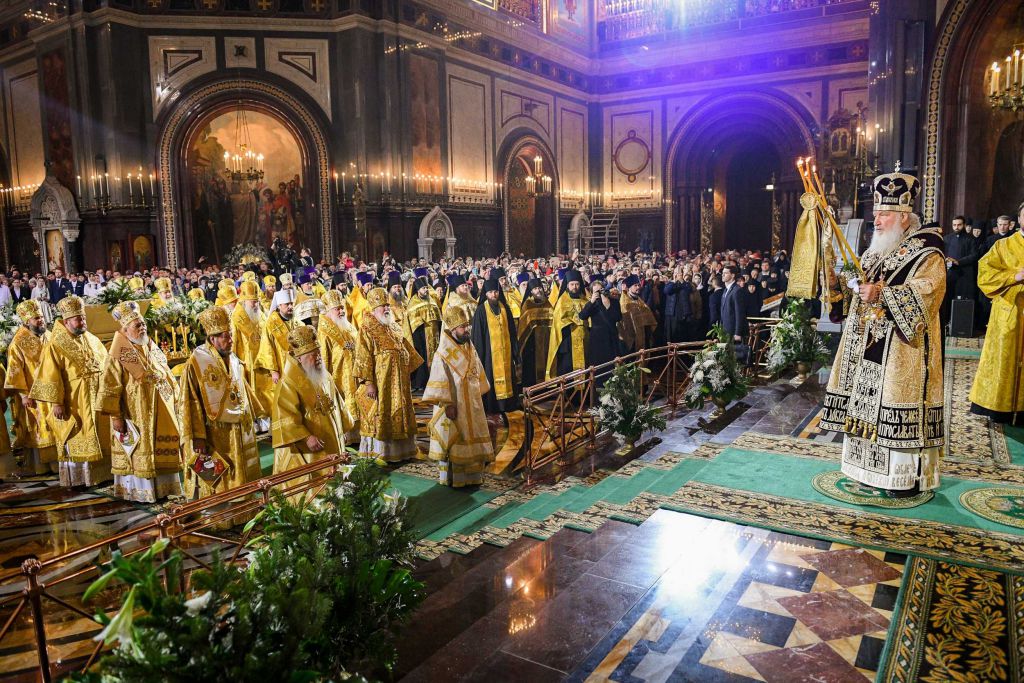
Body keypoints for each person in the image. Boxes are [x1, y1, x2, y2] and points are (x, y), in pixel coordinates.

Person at [820, 170, 945, 497]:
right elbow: (858, 297)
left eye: (884, 214)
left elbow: (928, 293)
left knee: (894, 403)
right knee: (866, 409)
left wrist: (883, 295)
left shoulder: (928, 251)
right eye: (875, 213)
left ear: (904, 217)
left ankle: (904, 479)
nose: (876, 220)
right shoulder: (874, 252)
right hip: (868, 346)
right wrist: (839, 286)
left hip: (902, 350)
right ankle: (868, 473)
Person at [99, 301, 182, 502]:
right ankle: (140, 491)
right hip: (134, 413)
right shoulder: (117, 353)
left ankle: (164, 488)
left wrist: (177, 398)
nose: (142, 327)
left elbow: (166, 374)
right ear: (125, 330)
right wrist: (116, 417)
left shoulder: (150, 346)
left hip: (161, 410)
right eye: (137, 326)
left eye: (143, 323)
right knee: (138, 452)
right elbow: (110, 386)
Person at [180, 306, 263, 503]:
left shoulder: (233, 358)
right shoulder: (196, 362)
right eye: (225, 336)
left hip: (240, 427)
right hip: (215, 432)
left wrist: (257, 410)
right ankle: (219, 517)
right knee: (219, 475)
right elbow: (189, 401)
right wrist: (197, 437)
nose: (231, 340)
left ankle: (244, 508)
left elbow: (241, 387)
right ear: (212, 338)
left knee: (240, 470)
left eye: (231, 335)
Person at [29, 295, 112, 488]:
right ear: (66, 321)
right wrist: (56, 403)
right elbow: (50, 375)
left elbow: (105, 364)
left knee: (102, 435)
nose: (82, 321)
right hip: (75, 401)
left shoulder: (91, 338)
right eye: (78, 319)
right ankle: (81, 478)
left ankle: (104, 474)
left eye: (83, 317)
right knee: (78, 435)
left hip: (98, 397)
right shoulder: (55, 345)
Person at [422, 306, 495, 487]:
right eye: (463, 327)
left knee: (473, 436)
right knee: (456, 439)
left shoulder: (469, 346)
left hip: (472, 402)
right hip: (455, 404)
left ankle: (474, 477)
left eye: (467, 325)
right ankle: (455, 479)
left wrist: (480, 392)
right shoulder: (443, 353)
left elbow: (478, 371)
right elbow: (440, 380)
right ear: (453, 329)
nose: (467, 329)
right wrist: (448, 405)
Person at [354, 287, 423, 461]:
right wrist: (369, 382)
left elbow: (405, 348)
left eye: (387, 305)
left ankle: (402, 451)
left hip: (400, 381)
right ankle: (383, 452)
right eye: (382, 306)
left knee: (402, 412)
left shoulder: (394, 325)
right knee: (383, 414)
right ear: (373, 308)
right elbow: (363, 356)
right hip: (381, 381)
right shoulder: (367, 327)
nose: (386, 308)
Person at [969, 205, 1024, 423]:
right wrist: (1014, 276)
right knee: (1004, 359)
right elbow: (985, 274)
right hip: (1009, 312)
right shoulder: (1004, 245)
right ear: (1018, 219)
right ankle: (999, 408)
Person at [271, 325, 350, 475]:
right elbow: (285, 417)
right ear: (299, 358)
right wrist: (306, 438)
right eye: (312, 354)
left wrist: (342, 428)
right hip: (311, 444)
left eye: (318, 351)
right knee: (318, 478)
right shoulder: (288, 383)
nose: (318, 356)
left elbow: (337, 403)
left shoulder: (323, 374)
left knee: (336, 473)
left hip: (332, 435)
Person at [5, 300, 57, 474]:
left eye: (41, 317)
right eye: (36, 318)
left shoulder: (49, 335)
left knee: (54, 425)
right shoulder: (17, 342)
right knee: (37, 429)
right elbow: (14, 371)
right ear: (27, 321)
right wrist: (24, 395)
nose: (41, 321)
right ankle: (40, 466)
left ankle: (57, 463)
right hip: (32, 394)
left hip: (52, 390)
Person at [470, 278, 520, 414]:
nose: (494, 295)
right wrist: (479, 358)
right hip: (489, 357)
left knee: (509, 378)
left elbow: (512, 333)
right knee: (491, 380)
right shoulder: (481, 311)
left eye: (496, 292)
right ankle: (494, 407)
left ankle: (509, 404)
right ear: (486, 293)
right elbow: (477, 337)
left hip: (506, 353)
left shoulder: (505, 309)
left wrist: (516, 353)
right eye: (491, 292)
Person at [318, 290, 360, 443]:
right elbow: (323, 356)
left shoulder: (348, 325)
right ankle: (347, 436)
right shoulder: (324, 330)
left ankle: (359, 434)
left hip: (355, 372)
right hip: (339, 376)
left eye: (342, 308)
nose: (341, 311)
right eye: (338, 309)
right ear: (329, 311)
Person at [231, 280, 272, 430]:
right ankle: (255, 421)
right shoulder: (236, 318)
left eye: (256, 301)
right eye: (252, 302)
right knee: (252, 392)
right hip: (247, 362)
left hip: (263, 359)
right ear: (244, 301)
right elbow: (233, 341)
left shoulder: (261, 315)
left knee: (266, 390)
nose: (255, 305)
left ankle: (266, 419)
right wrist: (235, 361)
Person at [579, 276, 622, 379]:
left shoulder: (613, 301)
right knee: (598, 369)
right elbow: (582, 316)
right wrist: (592, 301)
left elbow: (618, 317)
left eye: (601, 290)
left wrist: (608, 304)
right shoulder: (592, 304)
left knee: (613, 367)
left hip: (611, 338)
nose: (599, 292)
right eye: (596, 291)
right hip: (597, 340)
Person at [547, 269, 588, 378]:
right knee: (568, 373)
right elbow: (559, 320)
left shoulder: (585, 300)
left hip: (584, 341)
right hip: (567, 342)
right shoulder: (562, 301)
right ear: (567, 285)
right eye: (572, 284)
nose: (575, 287)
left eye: (577, 284)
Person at [405, 274, 442, 393]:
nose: (426, 290)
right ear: (418, 289)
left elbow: (439, 317)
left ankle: (435, 380)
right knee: (424, 358)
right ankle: (422, 383)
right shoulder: (413, 302)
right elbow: (413, 322)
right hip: (421, 335)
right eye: (423, 288)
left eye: (426, 288)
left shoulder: (432, 300)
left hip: (434, 334)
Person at [516, 278, 553, 388]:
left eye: (540, 288)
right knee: (531, 369)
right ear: (531, 291)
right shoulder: (528, 304)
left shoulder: (548, 303)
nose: (538, 290)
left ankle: (546, 391)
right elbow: (523, 326)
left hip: (547, 341)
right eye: (535, 288)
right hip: (531, 343)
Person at [256, 288, 295, 385]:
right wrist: (273, 371)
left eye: (291, 303)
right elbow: (267, 348)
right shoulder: (270, 324)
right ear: (279, 306)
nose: (290, 307)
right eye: (287, 304)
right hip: (281, 366)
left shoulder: (295, 320)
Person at [619, 274, 657, 352]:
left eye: (639, 285)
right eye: (635, 285)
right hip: (632, 338)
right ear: (629, 287)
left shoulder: (640, 300)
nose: (638, 287)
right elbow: (625, 322)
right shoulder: (625, 303)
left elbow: (648, 317)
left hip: (644, 334)